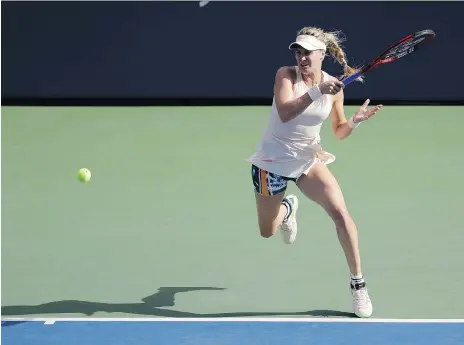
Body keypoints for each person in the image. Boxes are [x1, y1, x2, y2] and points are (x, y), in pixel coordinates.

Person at [247, 26, 383, 318]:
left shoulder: (335, 87)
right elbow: (285, 112)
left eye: (308, 52)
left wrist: (355, 121)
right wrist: (317, 90)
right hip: (271, 161)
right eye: (299, 51)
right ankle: (287, 208)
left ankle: (358, 285)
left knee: (341, 214)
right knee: (267, 231)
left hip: (308, 160)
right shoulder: (285, 75)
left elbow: (338, 130)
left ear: (322, 54)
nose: (302, 58)